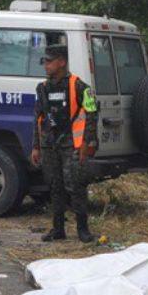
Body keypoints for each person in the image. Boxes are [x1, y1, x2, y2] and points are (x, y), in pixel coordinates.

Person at [29, 43, 98, 243]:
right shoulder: (42, 88)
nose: (46, 65)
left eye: (49, 62)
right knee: (54, 186)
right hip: (50, 144)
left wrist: (86, 143)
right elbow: (38, 118)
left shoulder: (79, 86)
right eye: (45, 62)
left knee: (75, 185)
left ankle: (83, 229)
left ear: (61, 62)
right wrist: (36, 146)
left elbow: (92, 114)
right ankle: (58, 229)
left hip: (72, 144)